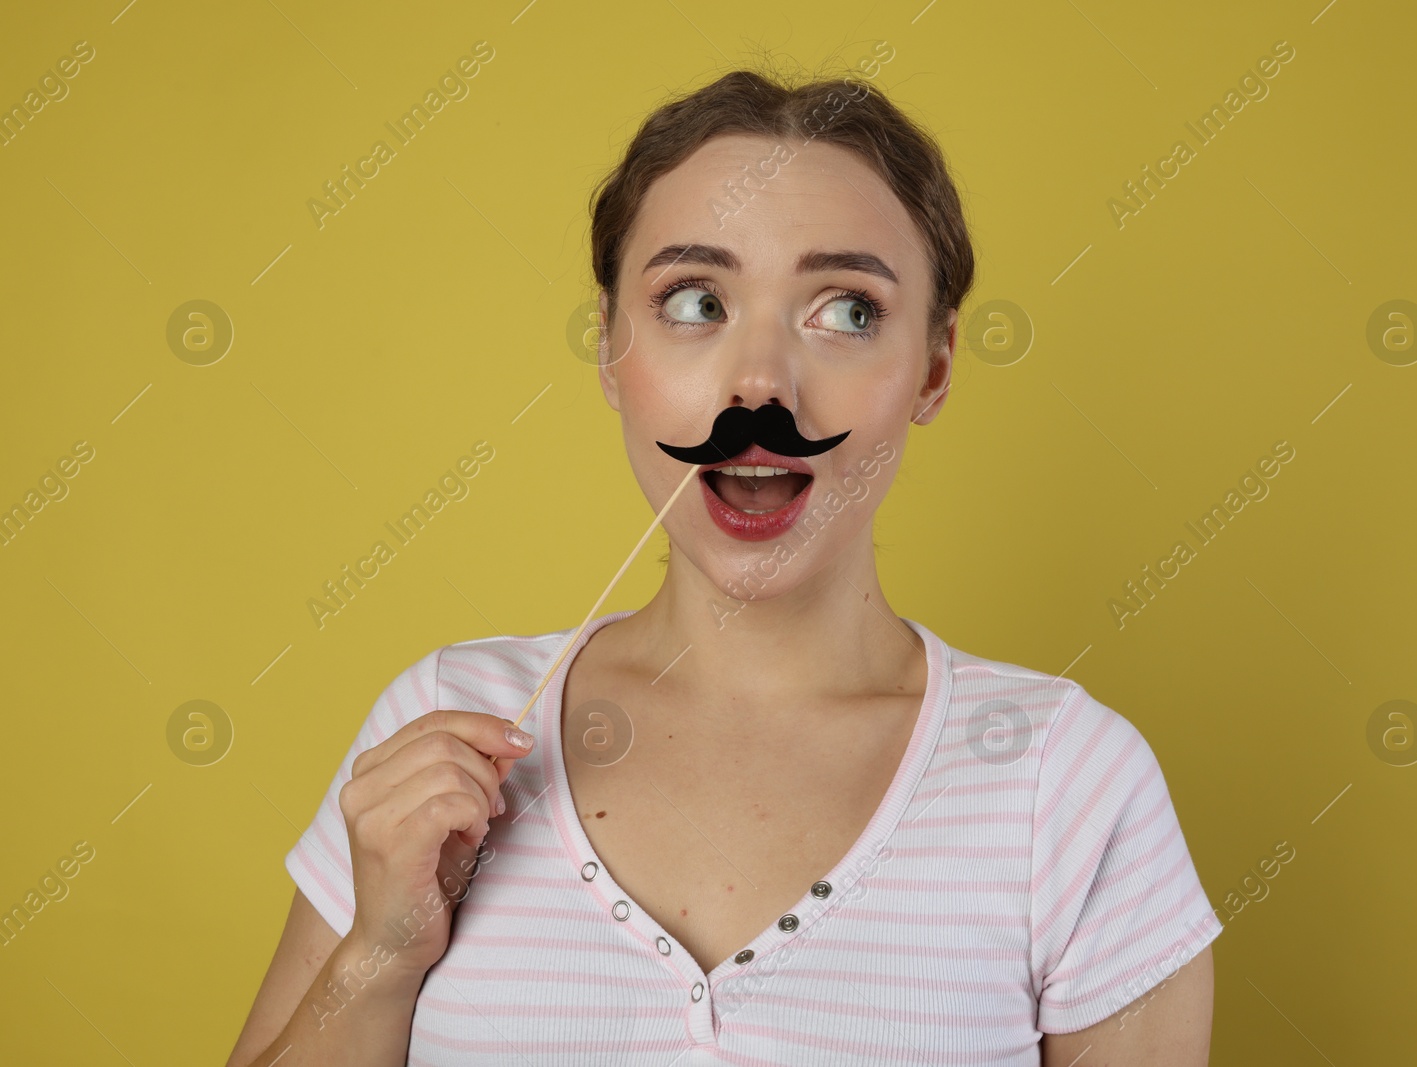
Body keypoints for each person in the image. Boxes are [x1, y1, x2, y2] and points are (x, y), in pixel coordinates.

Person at [227, 65, 1220, 1066]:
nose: (759, 380)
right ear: (613, 348)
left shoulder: (1067, 782)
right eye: (696, 300)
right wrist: (381, 954)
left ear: (933, 367)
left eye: (847, 311)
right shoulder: (446, 724)